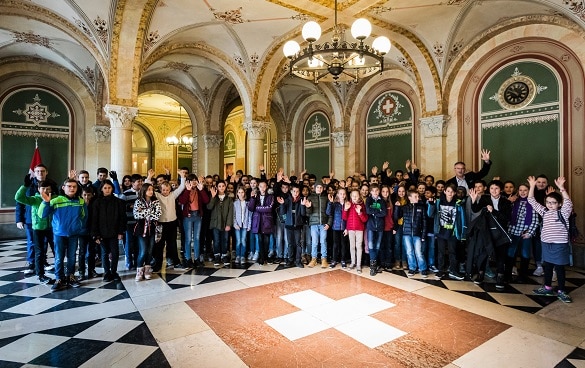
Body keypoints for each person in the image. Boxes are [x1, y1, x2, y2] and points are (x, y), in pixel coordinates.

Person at [528, 176, 573, 303]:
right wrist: (532, 186)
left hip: (560, 244)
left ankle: (562, 291)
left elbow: (568, 202)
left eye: (553, 202)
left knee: (559, 268)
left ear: (559, 204)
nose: (550, 205)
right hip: (546, 243)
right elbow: (531, 200)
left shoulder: (563, 212)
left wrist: (561, 188)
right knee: (547, 266)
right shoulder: (544, 212)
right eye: (548, 202)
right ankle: (547, 287)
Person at [39, 179, 87, 292]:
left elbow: (84, 216)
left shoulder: (80, 201)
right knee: (59, 257)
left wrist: (79, 227)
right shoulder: (56, 200)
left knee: (71, 257)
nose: (72, 188)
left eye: (74, 186)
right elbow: (42, 215)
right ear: (63, 188)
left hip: (74, 234)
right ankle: (59, 278)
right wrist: (45, 202)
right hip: (59, 234)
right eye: (69, 186)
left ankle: (70, 276)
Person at [14, 177, 55, 284]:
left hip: (52, 228)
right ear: (38, 189)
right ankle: (41, 275)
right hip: (38, 229)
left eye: (48, 188)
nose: (45, 191)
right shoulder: (34, 199)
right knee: (39, 252)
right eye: (43, 188)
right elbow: (18, 197)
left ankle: (60, 272)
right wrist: (25, 186)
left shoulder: (54, 198)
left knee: (57, 251)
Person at [145, 169, 186, 270]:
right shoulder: (157, 196)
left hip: (172, 223)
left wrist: (182, 177)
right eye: (163, 190)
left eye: (167, 190)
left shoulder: (173, 195)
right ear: (160, 189)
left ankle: (176, 262)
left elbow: (181, 187)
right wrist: (149, 177)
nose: (165, 192)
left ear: (170, 190)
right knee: (159, 244)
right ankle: (158, 264)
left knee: (172, 243)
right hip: (160, 224)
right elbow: (148, 188)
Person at [428, 184, 466, 280]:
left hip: (453, 232)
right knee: (440, 252)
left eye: (452, 191)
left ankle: (453, 271)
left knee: (453, 252)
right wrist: (431, 205)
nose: (450, 193)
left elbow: (462, 219)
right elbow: (430, 214)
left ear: (455, 193)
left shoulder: (458, 203)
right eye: (448, 191)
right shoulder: (438, 202)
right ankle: (440, 271)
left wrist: (462, 233)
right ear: (444, 191)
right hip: (441, 231)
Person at [91, 180, 126, 282]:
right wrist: (95, 234)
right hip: (101, 233)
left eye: (109, 188)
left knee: (115, 253)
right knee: (104, 252)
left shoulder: (118, 202)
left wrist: (121, 232)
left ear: (112, 189)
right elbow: (94, 219)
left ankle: (114, 271)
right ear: (101, 189)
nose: (107, 190)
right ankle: (107, 272)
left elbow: (122, 218)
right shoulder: (97, 202)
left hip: (114, 232)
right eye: (105, 188)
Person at [506, 183, 539, 283]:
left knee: (525, 253)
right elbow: (508, 216)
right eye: (520, 190)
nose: (523, 192)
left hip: (526, 233)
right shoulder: (514, 202)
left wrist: (530, 232)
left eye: (525, 190)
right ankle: (507, 275)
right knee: (511, 252)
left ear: (529, 191)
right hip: (513, 231)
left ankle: (523, 275)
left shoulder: (533, 203)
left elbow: (535, 221)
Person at [178, 174, 210, 267]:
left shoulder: (199, 190)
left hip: (198, 216)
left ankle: (197, 259)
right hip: (188, 216)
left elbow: (206, 200)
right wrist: (187, 190)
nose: (194, 182)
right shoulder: (184, 190)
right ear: (188, 182)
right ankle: (188, 259)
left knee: (197, 238)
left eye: (195, 180)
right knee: (188, 239)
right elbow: (182, 201)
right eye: (191, 180)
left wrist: (202, 190)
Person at [133, 183, 162, 281]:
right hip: (141, 229)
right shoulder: (139, 201)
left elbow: (157, 215)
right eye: (149, 189)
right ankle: (139, 270)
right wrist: (150, 211)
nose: (151, 191)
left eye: (152, 189)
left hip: (152, 229)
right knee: (143, 251)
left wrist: (145, 211)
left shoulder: (156, 201)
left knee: (150, 251)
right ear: (144, 190)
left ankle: (147, 270)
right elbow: (137, 215)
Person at [396, 190, 428, 277]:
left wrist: (423, 235)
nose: (417, 198)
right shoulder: (405, 207)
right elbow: (397, 216)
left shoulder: (421, 208)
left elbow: (424, 222)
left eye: (418, 196)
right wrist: (397, 207)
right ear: (410, 198)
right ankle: (412, 268)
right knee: (409, 252)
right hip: (406, 233)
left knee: (419, 252)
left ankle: (423, 268)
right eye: (415, 197)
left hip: (418, 233)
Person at [278, 184, 307, 268]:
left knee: (298, 243)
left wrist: (302, 205)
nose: (296, 193)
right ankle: (290, 260)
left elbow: (303, 214)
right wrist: (282, 204)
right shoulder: (287, 200)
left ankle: (298, 260)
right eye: (294, 191)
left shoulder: (301, 200)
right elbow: (282, 213)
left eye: (297, 191)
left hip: (298, 225)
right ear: (291, 192)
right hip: (289, 225)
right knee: (290, 243)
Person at [207, 180, 234, 266]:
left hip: (225, 222)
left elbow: (230, 212)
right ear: (217, 187)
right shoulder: (214, 197)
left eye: (223, 186)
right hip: (215, 223)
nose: (221, 188)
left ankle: (224, 255)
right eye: (219, 186)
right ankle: (217, 256)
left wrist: (229, 224)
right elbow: (209, 207)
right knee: (216, 240)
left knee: (225, 240)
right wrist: (213, 197)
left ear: (225, 187)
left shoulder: (229, 198)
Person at [305, 183, 331, 268]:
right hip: (314, 223)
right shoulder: (310, 197)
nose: (319, 189)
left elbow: (330, 213)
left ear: (323, 188)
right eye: (317, 187)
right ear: (314, 188)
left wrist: (329, 223)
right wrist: (308, 207)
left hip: (324, 223)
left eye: (321, 187)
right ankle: (314, 259)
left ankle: (324, 259)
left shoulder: (326, 198)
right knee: (314, 242)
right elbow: (308, 213)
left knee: (323, 241)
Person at [248, 179, 274, 265]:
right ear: (258, 187)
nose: (262, 188)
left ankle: (265, 257)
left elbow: (269, 208)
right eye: (261, 186)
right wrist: (252, 198)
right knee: (259, 240)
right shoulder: (256, 196)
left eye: (264, 186)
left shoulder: (270, 196)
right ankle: (262, 257)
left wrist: (257, 208)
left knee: (266, 240)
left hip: (267, 221)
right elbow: (251, 208)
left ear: (266, 187)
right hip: (258, 221)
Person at [342, 189, 368, 273]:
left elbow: (365, 219)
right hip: (350, 229)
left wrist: (359, 212)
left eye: (356, 196)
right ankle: (353, 262)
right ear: (350, 196)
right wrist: (346, 209)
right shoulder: (348, 204)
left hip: (359, 229)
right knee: (352, 246)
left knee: (359, 246)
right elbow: (344, 218)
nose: (354, 197)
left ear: (359, 196)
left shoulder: (362, 205)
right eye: (353, 196)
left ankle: (358, 265)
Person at [365, 184, 387, 276]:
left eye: (377, 191)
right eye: (373, 191)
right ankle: (372, 266)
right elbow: (368, 211)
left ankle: (374, 265)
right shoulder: (368, 200)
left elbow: (384, 213)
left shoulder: (381, 200)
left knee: (377, 245)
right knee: (370, 245)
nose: (375, 192)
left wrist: (374, 212)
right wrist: (378, 211)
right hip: (371, 226)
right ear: (370, 192)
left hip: (380, 226)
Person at [326, 188, 348, 268]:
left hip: (344, 228)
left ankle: (343, 260)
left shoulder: (347, 204)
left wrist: (347, 228)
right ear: (338, 194)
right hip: (335, 227)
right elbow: (328, 212)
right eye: (340, 193)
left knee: (343, 245)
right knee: (335, 244)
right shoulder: (335, 204)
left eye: (344, 194)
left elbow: (348, 217)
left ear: (346, 195)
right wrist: (330, 203)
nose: (342, 195)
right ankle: (334, 260)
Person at [233, 186, 251, 265]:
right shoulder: (235, 203)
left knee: (243, 240)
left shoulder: (247, 203)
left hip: (245, 225)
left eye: (242, 192)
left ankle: (243, 256)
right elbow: (233, 215)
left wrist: (249, 225)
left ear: (244, 193)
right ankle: (238, 256)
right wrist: (234, 224)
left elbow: (250, 215)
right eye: (239, 192)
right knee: (238, 241)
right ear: (237, 193)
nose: (241, 194)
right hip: (237, 225)